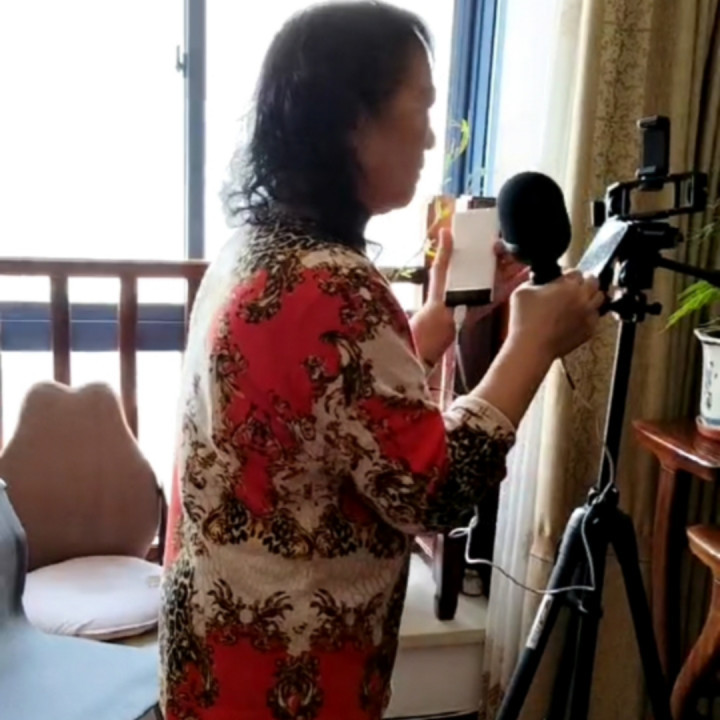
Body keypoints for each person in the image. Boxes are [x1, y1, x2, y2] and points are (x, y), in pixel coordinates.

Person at [158, 3, 604, 719]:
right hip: (285, 679)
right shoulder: (335, 284)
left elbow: (327, 402)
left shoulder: (256, 247)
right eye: (420, 106)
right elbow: (433, 492)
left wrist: (441, 320)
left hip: (213, 652)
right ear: (351, 120)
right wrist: (530, 346)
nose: (429, 135)